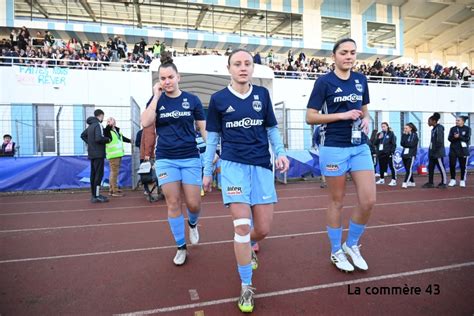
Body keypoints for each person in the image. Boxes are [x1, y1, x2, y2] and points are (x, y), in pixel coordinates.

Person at [202, 48, 289, 313]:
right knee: (241, 227)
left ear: (253, 68)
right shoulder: (218, 100)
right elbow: (212, 139)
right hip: (232, 168)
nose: (243, 67)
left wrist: (281, 153)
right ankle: (246, 286)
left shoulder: (262, 95)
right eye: (237, 64)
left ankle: (248, 246)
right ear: (229, 68)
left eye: (247, 63)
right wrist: (207, 171)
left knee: (261, 230)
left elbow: (271, 129)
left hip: (261, 167)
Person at [306, 38, 375, 273]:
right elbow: (311, 117)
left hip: (359, 146)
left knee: (368, 200)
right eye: (344, 52)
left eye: (353, 53)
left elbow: (365, 110)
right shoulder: (324, 82)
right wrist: (342, 116)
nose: (349, 56)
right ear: (334, 56)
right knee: (337, 200)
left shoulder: (360, 80)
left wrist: (366, 119)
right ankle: (336, 250)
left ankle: (351, 244)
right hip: (333, 146)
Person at [141, 53, 206, 266]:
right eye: (163, 78)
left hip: (190, 157)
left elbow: (204, 129)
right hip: (166, 158)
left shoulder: (193, 100)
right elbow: (145, 122)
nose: (167, 82)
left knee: (194, 204)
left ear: (179, 77)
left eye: (170, 77)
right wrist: (156, 96)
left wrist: (215, 151)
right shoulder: (156, 100)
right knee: (173, 202)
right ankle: (180, 247)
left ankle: (193, 224)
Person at [81, 109, 111, 203]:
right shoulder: (98, 124)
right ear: (101, 115)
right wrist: (107, 139)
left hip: (92, 153)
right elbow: (98, 138)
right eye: (103, 116)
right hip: (98, 154)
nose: (103, 118)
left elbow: (83, 135)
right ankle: (97, 196)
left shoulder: (90, 126)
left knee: (93, 175)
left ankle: (94, 195)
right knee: (99, 174)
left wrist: (90, 143)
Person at [104, 117, 132, 197]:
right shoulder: (107, 131)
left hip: (118, 154)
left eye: (111, 120)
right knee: (114, 173)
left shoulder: (116, 130)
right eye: (108, 121)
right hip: (113, 155)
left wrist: (130, 141)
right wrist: (109, 125)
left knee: (114, 173)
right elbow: (105, 132)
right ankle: (114, 191)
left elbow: (122, 138)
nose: (109, 122)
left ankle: (112, 189)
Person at [422, 112, 447, 189]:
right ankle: (430, 182)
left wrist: (435, 151)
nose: (428, 123)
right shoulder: (434, 129)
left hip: (438, 153)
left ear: (434, 121)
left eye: (429, 121)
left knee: (441, 167)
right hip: (432, 152)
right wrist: (431, 151)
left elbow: (439, 141)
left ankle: (444, 182)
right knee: (431, 167)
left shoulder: (439, 128)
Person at [448, 116, 471, 187]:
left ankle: (462, 180)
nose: (456, 122)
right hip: (453, 150)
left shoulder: (467, 129)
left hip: (463, 150)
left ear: (463, 121)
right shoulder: (453, 129)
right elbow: (449, 138)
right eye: (456, 120)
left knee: (463, 166)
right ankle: (452, 179)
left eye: (458, 120)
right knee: (452, 165)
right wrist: (454, 137)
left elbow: (467, 139)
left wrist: (459, 136)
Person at [400, 123, 419, 188]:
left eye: (406, 128)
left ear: (410, 128)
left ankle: (405, 182)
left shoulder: (414, 135)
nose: (405, 129)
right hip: (404, 154)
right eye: (404, 128)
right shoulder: (405, 135)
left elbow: (411, 144)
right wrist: (404, 136)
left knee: (409, 169)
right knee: (407, 169)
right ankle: (412, 182)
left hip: (411, 154)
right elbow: (402, 143)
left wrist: (406, 143)